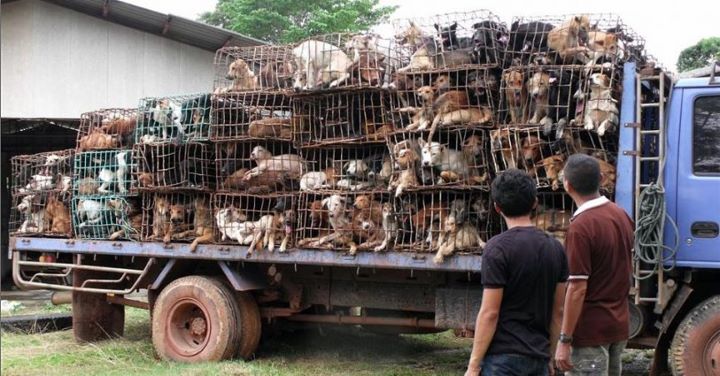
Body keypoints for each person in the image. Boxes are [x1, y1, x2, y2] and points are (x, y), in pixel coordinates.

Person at [466, 169, 568, 376]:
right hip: (538, 356)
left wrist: (473, 365)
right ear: (534, 203)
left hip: (502, 359)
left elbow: (490, 313)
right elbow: (558, 312)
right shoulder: (555, 247)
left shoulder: (497, 248)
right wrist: (549, 355)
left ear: (497, 207)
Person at [554, 154, 634, 376]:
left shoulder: (581, 227)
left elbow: (578, 288)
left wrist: (564, 339)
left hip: (590, 331)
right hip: (617, 325)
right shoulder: (621, 215)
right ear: (601, 178)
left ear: (567, 185)